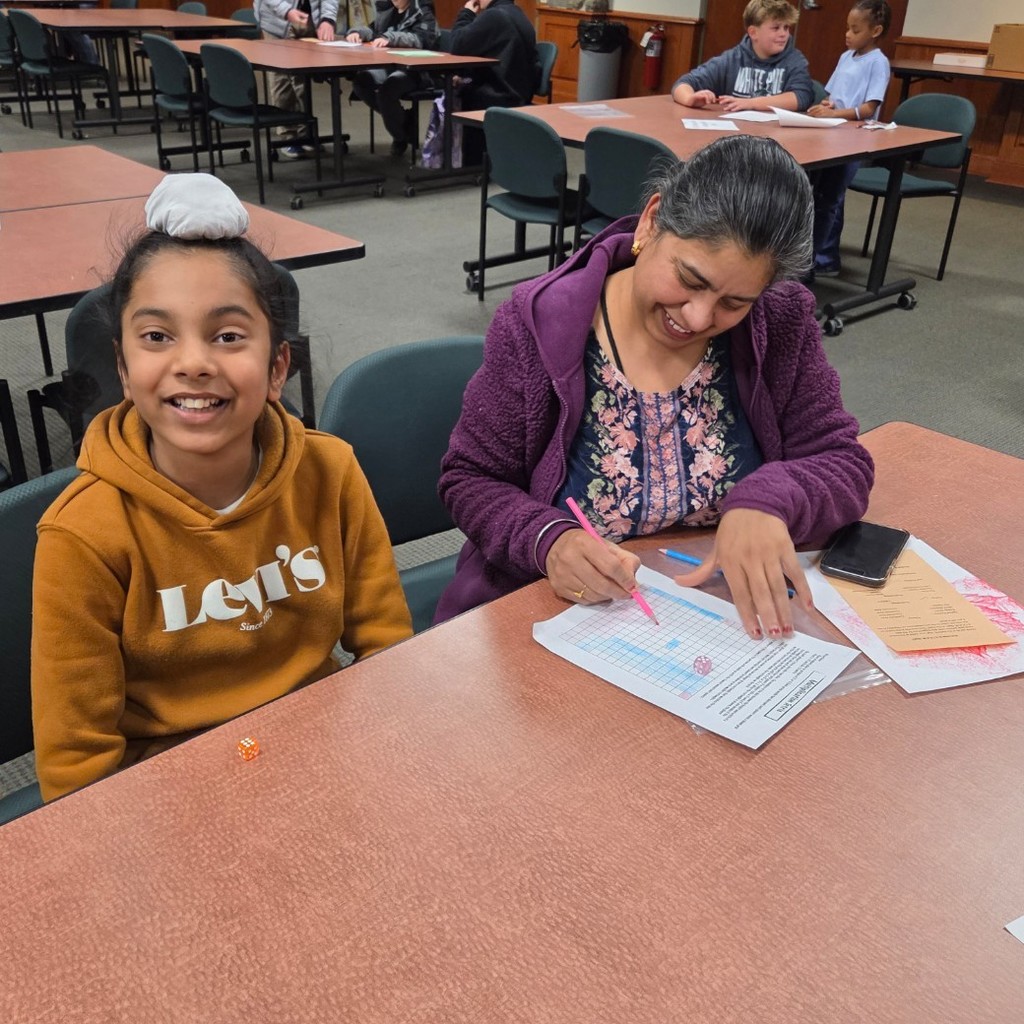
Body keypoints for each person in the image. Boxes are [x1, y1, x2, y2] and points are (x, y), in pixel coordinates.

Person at [31, 175, 413, 803]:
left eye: (228, 336)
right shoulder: (83, 534)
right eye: (157, 337)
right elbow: (76, 759)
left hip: (324, 744)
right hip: (172, 789)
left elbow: (384, 647)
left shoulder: (331, 471)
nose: (193, 362)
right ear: (124, 370)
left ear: (277, 367)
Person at [435, 135, 874, 642]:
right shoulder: (539, 325)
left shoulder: (780, 320)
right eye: (690, 279)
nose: (699, 317)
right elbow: (469, 479)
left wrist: (769, 501)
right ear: (651, 219)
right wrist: (548, 541)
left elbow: (842, 461)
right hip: (563, 618)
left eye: (735, 302)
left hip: (718, 627)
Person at [807, 0, 892, 277]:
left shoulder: (878, 63)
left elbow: (868, 108)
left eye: (855, 30)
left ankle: (825, 257)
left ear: (875, 31)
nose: (848, 34)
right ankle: (818, 251)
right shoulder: (847, 56)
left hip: (855, 137)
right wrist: (827, 106)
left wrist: (837, 114)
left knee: (832, 196)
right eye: (847, 28)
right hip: (833, 133)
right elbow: (833, 95)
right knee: (824, 193)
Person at [672, 0, 812, 113]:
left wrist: (751, 103)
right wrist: (690, 98)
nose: (783, 34)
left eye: (786, 28)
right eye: (776, 28)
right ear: (753, 32)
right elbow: (683, 84)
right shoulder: (732, 59)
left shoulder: (795, 60)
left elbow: (801, 97)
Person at [347, 0, 439, 157]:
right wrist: (357, 33)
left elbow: (422, 39)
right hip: (389, 66)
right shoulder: (389, 13)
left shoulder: (423, 12)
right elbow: (373, 30)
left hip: (416, 71)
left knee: (388, 89)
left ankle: (400, 137)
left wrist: (391, 38)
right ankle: (404, 121)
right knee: (362, 81)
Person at [255, 0, 342, 159]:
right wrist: (286, 11)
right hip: (276, 22)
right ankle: (288, 136)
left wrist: (327, 20)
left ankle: (306, 133)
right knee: (282, 80)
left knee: (302, 79)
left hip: (308, 20)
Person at [449, 0, 538, 112]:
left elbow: (457, 44)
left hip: (492, 101)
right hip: (517, 98)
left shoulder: (494, 16)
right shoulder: (522, 16)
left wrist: (466, 13)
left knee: (449, 93)